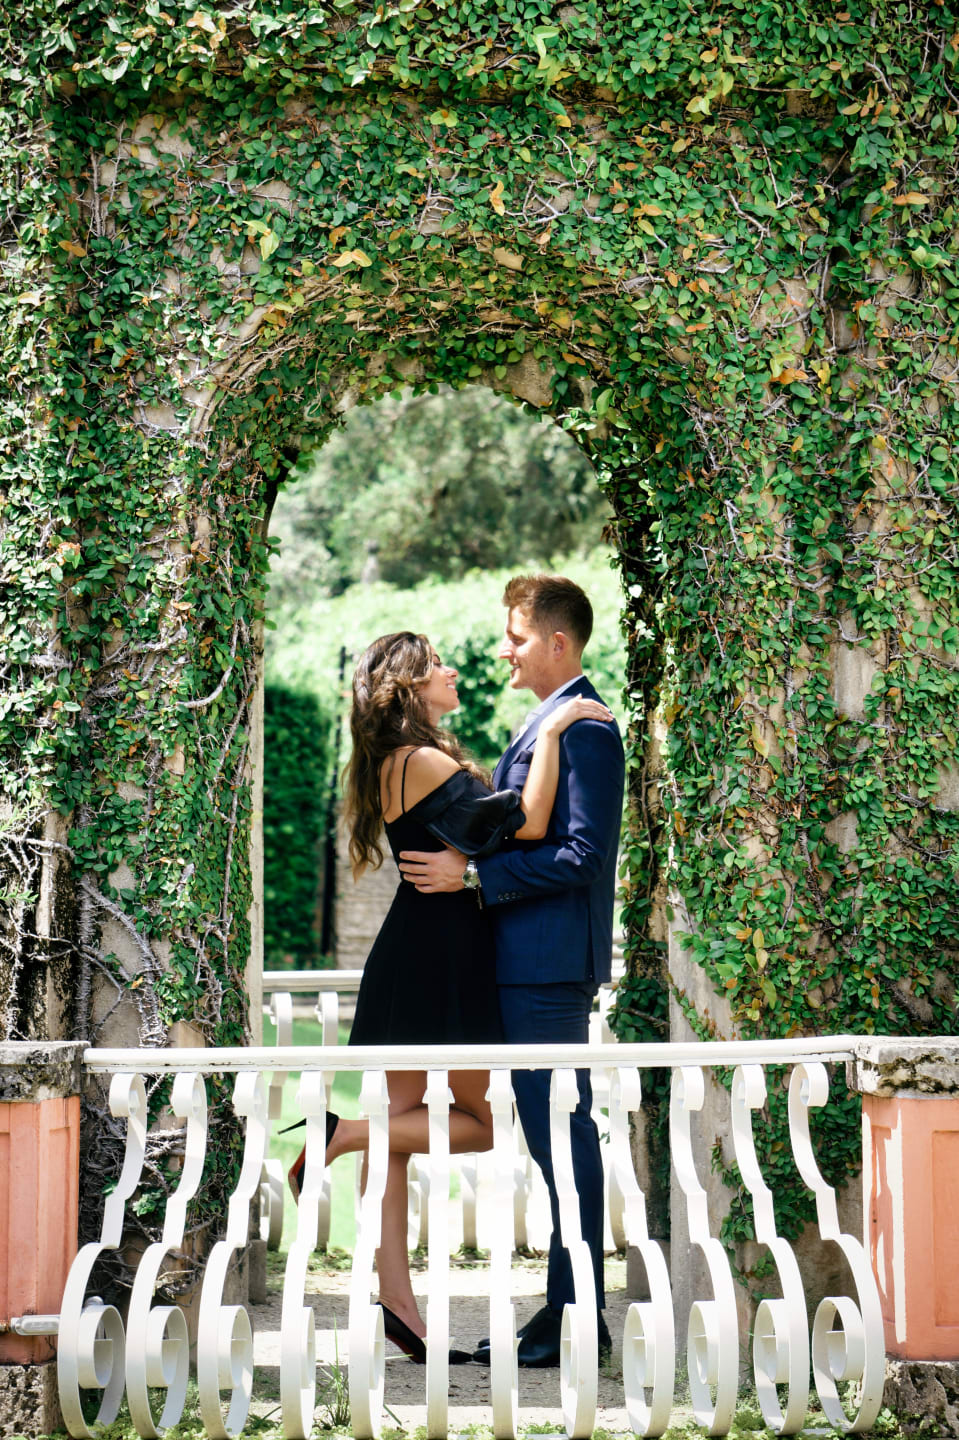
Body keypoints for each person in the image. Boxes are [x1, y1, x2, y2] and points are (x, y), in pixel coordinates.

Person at [288, 629, 614, 1365]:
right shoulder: (422, 760)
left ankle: (396, 1304)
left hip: (417, 948)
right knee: (479, 1124)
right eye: (437, 664)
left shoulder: (398, 761)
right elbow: (529, 823)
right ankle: (340, 1138)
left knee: (397, 1133)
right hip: (441, 953)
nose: (453, 670)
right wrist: (555, 729)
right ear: (407, 686)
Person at [398, 575, 625, 1368]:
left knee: (564, 1134)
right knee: (551, 1137)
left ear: (557, 643)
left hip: (547, 968)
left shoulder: (586, 730)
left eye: (517, 637)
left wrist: (472, 876)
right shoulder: (551, 722)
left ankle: (579, 1320)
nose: (505, 651)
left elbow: (583, 855)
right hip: (526, 964)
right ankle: (563, 1311)